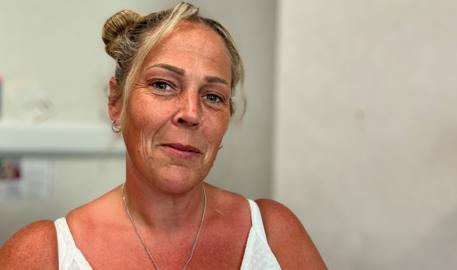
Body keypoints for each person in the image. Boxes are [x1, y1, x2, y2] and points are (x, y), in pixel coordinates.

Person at [0, 2, 327, 269]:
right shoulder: (44, 255)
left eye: (213, 96)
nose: (191, 113)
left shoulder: (274, 237)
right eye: (162, 85)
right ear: (116, 102)